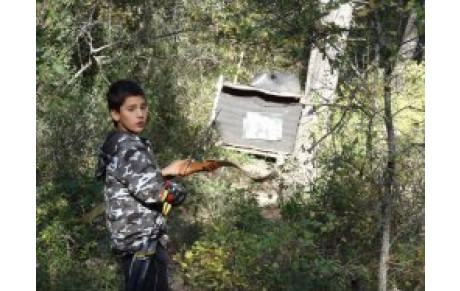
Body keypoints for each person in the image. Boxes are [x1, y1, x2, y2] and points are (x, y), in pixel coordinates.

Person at [95, 79, 187, 291]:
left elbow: (131, 179)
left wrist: (164, 172)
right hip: (143, 243)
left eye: (143, 107)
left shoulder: (114, 143)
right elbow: (157, 192)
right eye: (131, 109)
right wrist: (179, 192)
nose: (140, 114)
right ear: (115, 114)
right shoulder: (130, 148)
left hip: (131, 242)